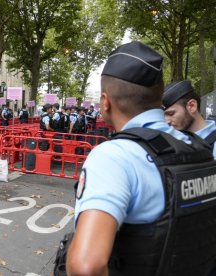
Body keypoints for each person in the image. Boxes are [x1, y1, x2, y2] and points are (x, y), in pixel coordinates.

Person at [66, 41, 216, 276]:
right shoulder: (201, 148)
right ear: (159, 98)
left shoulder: (115, 157)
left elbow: (86, 267)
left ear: (105, 102)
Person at [163, 80, 216, 158]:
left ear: (192, 106)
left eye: (171, 114)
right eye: (163, 116)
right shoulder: (171, 142)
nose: (167, 121)